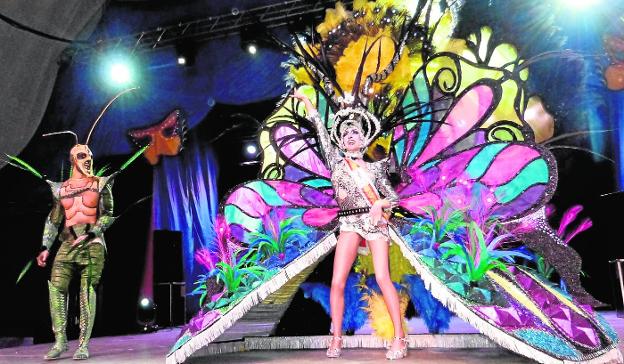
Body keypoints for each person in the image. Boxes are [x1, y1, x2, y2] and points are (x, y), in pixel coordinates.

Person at [293, 90, 408, 360]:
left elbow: (393, 197)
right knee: (337, 282)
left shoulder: (376, 168)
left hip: (374, 222)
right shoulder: (336, 162)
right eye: (345, 135)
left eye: (354, 133)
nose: (350, 137)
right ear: (341, 142)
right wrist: (309, 104)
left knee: (382, 278)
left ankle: (399, 339)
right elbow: (321, 131)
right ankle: (336, 339)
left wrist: (380, 204)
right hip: (348, 223)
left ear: (364, 138)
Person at [36, 142, 114, 360]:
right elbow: (54, 220)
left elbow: (108, 214)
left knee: (86, 290)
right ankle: (60, 341)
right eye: (82, 155)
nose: (87, 159)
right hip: (67, 243)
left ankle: (83, 344)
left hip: (92, 244)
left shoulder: (100, 184)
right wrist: (45, 247)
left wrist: (92, 233)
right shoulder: (60, 189)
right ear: (72, 160)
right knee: (56, 288)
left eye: (89, 155)